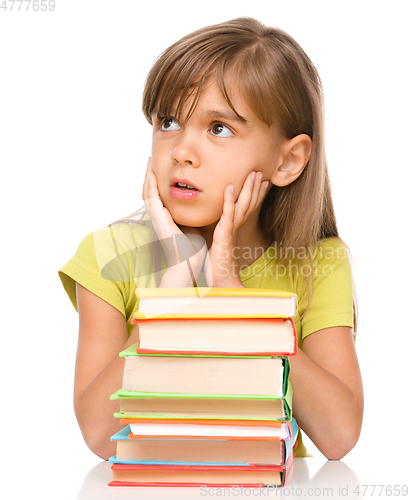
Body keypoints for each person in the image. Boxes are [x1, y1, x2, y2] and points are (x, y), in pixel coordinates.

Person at [59, 17, 363, 461]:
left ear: (288, 160)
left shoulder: (317, 261)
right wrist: (172, 297)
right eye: (168, 122)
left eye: (219, 128)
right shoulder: (109, 256)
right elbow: (98, 434)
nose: (181, 150)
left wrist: (236, 298)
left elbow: (339, 436)